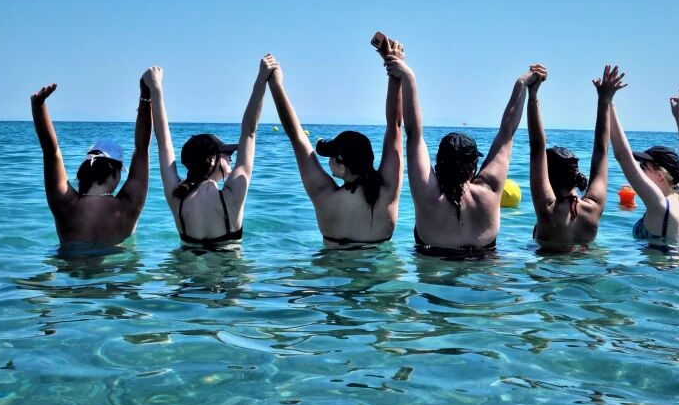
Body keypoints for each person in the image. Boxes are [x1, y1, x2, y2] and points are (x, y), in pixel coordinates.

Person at [385, 53, 543, 255]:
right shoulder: (490, 191)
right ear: (473, 166)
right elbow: (507, 132)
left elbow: (413, 134)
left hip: (435, 270)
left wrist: (408, 76)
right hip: (486, 270)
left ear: (438, 164)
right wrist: (522, 84)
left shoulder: (427, 194)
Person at [266, 33, 403, 247]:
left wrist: (275, 83)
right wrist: (394, 66)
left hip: (331, 268)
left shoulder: (325, 197)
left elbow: (296, 137)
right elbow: (395, 128)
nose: (329, 162)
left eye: (331, 157)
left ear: (340, 163)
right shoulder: (388, 193)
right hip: (377, 268)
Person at [145, 56, 273, 247]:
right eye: (226, 154)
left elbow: (163, 141)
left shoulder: (176, 197)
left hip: (187, 266)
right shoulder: (232, 196)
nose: (230, 158)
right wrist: (262, 79)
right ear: (212, 160)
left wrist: (155, 87)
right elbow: (249, 133)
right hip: (227, 267)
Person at [29, 76, 152, 245]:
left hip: (69, 262)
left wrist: (38, 105)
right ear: (115, 174)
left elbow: (51, 152)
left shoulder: (66, 205)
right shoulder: (127, 206)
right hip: (113, 262)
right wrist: (146, 95)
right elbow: (142, 149)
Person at [527, 65, 623, 252]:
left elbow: (537, 148)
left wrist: (532, 95)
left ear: (548, 177)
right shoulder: (593, 207)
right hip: (584, 269)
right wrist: (604, 99)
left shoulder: (547, 210)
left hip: (549, 270)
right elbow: (601, 152)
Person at [609, 87, 679, 249]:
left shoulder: (660, 204)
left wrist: (608, 103)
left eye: (643, 167)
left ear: (661, 175)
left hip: (660, 265)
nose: (639, 171)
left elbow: (623, 157)